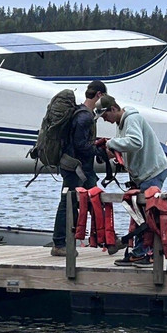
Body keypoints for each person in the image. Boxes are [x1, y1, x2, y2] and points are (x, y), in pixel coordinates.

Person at [96, 94, 167, 261]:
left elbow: (136, 142)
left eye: (106, 115)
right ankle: (139, 251)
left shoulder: (132, 119)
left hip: (152, 171)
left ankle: (147, 253)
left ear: (114, 109)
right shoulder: (121, 122)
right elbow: (129, 145)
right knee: (139, 212)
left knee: (147, 213)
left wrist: (110, 143)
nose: (105, 120)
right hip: (144, 173)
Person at [50, 79, 107, 257]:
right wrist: (100, 151)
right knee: (70, 203)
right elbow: (81, 144)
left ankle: (106, 240)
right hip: (77, 169)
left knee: (91, 199)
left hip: (75, 167)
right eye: (103, 97)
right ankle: (60, 243)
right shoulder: (85, 117)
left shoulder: (80, 113)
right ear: (99, 95)